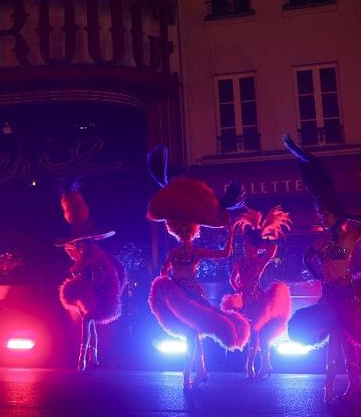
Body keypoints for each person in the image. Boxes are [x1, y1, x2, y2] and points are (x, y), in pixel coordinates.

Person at [145, 146, 250, 390]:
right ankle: (200, 371)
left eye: (184, 229)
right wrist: (165, 288)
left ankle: (189, 375)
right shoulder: (180, 252)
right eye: (181, 229)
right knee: (191, 334)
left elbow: (224, 254)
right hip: (181, 294)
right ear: (179, 229)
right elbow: (163, 274)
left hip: (191, 295)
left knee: (192, 334)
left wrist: (231, 233)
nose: (183, 233)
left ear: (187, 229)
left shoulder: (189, 252)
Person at [283, 134, 361, 404]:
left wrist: (348, 217)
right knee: (335, 342)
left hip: (347, 294)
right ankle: (330, 387)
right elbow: (306, 258)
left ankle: (353, 386)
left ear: (335, 212)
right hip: (329, 296)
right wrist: (318, 274)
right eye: (320, 214)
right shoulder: (322, 240)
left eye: (325, 214)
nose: (321, 217)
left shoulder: (352, 234)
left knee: (352, 340)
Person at [55, 185, 125, 371]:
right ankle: (93, 357)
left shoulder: (95, 256)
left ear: (89, 241)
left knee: (88, 321)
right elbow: (79, 270)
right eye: (78, 242)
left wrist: (94, 286)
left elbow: (103, 274)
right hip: (87, 294)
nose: (80, 245)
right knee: (89, 322)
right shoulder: (82, 254)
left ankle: (82, 359)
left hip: (98, 295)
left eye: (82, 242)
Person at [220, 206, 292, 377]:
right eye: (244, 244)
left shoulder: (259, 261)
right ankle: (264, 364)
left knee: (257, 332)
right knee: (255, 332)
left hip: (259, 302)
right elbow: (232, 280)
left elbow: (272, 249)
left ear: (255, 247)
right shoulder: (240, 262)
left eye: (248, 244)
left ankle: (252, 366)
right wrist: (239, 291)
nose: (245, 247)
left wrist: (262, 235)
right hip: (246, 302)